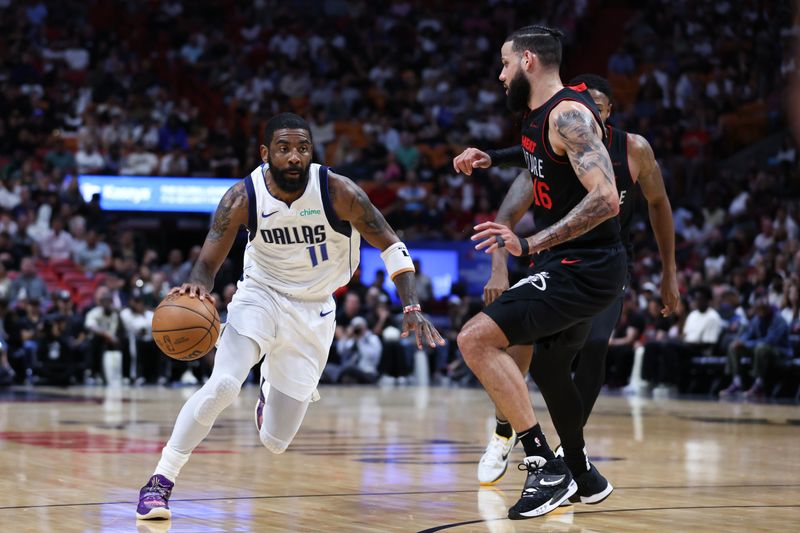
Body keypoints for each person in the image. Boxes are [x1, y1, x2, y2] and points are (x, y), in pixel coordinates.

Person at [136, 113, 444, 520]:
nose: (294, 156)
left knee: (276, 441)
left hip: (314, 309)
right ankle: (160, 482)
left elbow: (392, 245)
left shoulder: (339, 192)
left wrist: (411, 305)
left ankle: (269, 388)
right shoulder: (242, 197)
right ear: (266, 153)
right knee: (224, 384)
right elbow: (209, 258)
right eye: (284, 148)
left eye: (302, 148)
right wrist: (197, 286)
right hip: (260, 295)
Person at [458, 71, 678, 513]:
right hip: (555, 266)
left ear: (606, 112)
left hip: (600, 268)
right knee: (544, 360)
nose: (583, 113)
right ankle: (564, 460)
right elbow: (507, 210)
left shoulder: (630, 149)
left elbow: (657, 203)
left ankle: (549, 459)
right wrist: (500, 263)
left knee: (592, 346)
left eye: (594, 106)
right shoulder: (549, 146)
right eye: (579, 104)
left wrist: (670, 272)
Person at [453, 27, 627, 519]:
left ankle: (541, 464)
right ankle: (583, 476)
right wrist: (493, 157)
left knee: (476, 339)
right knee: (548, 368)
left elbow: (607, 198)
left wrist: (529, 242)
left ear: (528, 60)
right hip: (568, 264)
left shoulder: (569, 114)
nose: (500, 73)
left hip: (587, 267)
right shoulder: (536, 116)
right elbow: (540, 158)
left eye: (505, 63)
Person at [720, 297, 791, 398]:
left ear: (769, 308)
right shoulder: (756, 319)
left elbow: (770, 341)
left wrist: (746, 344)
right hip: (760, 349)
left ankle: (759, 384)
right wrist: (741, 341)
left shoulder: (779, 320)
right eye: (758, 309)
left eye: (763, 308)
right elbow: (748, 334)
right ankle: (737, 382)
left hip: (780, 352)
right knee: (734, 346)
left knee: (761, 347)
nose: (761, 311)